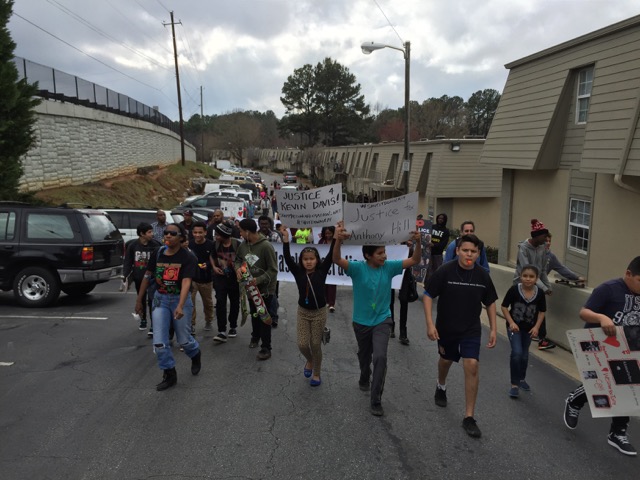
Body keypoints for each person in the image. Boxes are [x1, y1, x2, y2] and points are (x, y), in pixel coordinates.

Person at [333, 221, 422, 416]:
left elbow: (414, 260)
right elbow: (337, 259)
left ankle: (376, 399)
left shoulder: (389, 267)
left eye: (384, 252)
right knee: (364, 357)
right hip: (361, 323)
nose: (384, 255)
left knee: (380, 357)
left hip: (383, 320)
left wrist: (418, 242)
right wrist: (338, 240)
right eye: (380, 253)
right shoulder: (357, 268)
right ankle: (364, 374)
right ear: (368, 255)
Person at [563, 256, 640, 456]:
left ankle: (618, 432)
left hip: (629, 345)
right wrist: (601, 317)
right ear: (628, 274)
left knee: (628, 387)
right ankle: (574, 401)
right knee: (600, 383)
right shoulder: (608, 288)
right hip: (600, 345)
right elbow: (584, 312)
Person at [423, 234, 498, 438]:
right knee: (446, 360)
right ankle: (441, 385)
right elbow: (428, 295)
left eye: (473, 252)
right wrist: (430, 324)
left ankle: (469, 417)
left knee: (472, 364)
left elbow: (490, 301)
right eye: (465, 250)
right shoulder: (445, 271)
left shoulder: (482, 275)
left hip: (471, 328)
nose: (469, 254)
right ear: (457, 251)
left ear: (478, 254)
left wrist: (493, 328)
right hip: (447, 327)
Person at [135, 223, 202, 391]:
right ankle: (169, 373)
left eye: (173, 233)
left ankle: (195, 353)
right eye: (166, 233)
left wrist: (180, 305)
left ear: (181, 237)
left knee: (184, 340)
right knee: (159, 342)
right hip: (160, 300)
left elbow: (187, 281)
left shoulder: (188, 257)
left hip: (180, 300)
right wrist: (139, 300)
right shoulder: (158, 254)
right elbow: (147, 276)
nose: (168, 236)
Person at [281, 226, 335, 386]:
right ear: (301, 261)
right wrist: (286, 240)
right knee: (303, 344)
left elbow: (332, 254)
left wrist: (337, 237)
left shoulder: (322, 271)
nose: (309, 261)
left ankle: (316, 373)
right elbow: (287, 258)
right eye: (306, 259)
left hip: (319, 312)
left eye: (312, 258)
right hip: (303, 312)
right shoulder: (298, 272)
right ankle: (310, 360)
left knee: (315, 344)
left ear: (317, 260)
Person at [234, 218, 278, 360]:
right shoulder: (243, 245)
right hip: (250, 288)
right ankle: (255, 336)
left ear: (247, 231)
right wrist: (238, 269)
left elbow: (273, 270)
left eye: (240, 231)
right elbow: (238, 260)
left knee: (264, 316)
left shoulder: (266, 246)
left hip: (265, 290)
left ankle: (266, 347)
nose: (239, 233)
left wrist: (258, 280)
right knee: (254, 314)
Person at [501, 265, 546, 398]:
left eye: (531, 277)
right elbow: (504, 307)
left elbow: (542, 312)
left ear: (536, 279)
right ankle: (514, 384)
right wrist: (511, 322)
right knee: (517, 353)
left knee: (525, 355)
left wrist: (537, 327)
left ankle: (521, 378)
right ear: (520, 277)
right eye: (525, 276)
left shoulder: (540, 293)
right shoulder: (514, 290)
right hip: (514, 328)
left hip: (529, 329)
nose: (528, 279)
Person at [514, 219, 555, 350]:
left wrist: (547, 286)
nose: (546, 240)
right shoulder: (523, 248)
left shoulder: (542, 248)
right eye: (544, 237)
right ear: (536, 236)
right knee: (521, 310)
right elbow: (527, 271)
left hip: (537, 285)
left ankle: (541, 338)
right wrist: (543, 287)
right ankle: (518, 332)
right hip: (522, 284)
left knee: (540, 309)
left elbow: (542, 270)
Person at [123, 222, 161, 333]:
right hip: (139, 278)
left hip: (152, 279)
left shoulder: (156, 245)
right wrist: (125, 276)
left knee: (152, 301)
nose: (152, 234)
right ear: (142, 234)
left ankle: (154, 324)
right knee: (141, 300)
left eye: (152, 231)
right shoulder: (133, 246)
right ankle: (143, 319)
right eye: (149, 232)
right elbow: (128, 262)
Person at [211, 223, 241, 343]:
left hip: (235, 279)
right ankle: (221, 330)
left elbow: (245, 258)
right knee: (220, 302)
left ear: (225, 235)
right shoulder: (216, 244)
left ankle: (233, 326)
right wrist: (214, 267)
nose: (216, 237)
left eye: (218, 235)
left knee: (234, 302)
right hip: (220, 279)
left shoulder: (237, 244)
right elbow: (211, 256)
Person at [188, 221, 215, 333]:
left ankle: (208, 320)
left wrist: (207, 265)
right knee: (190, 303)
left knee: (207, 302)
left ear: (205, 232)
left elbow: (214, 260)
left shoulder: (211, 244)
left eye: (200, 232)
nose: (197, 235)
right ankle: (191, 324)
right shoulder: (189, 244)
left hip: (206, 278)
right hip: (192, 278)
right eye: (195, 232)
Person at [390, 239, 417, 345]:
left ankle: (403, 331)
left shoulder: (406, 238)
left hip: (404, 271)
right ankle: (391, 325)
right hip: (390, 269)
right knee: (389, 300)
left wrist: (409, 246)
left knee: (404, 300)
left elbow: (413, 257)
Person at [319, 226, 337, 313]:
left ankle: (331, 304)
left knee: (332, 285)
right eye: (326, 233)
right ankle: (325, 300)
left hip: (334, 266)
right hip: (324, 266)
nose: (328, 235)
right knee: (324, 284)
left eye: (329, 233)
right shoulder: (321, 242)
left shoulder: (337, 242)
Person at [427, 213, 449, 280]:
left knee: (437, 271)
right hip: (428, 253)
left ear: (445, 220)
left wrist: (434, 245)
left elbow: (444, 244)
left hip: (438, 254)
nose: (440, 220)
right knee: (428, 271)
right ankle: (427, 285)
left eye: (442, 219)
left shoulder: (446, 231)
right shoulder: (432, 227)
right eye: (439, 218)